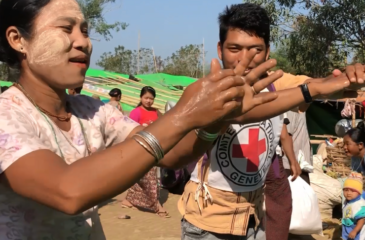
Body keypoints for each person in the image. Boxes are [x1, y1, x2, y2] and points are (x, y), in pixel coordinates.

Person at [0, 0, 285, 238]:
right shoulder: (6, 114)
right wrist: (185, 113)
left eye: (85, 31)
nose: (83, 42)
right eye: (66, 28)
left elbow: (171, 155)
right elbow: (68, 192)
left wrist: (216, 121)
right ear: (18, 40)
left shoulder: (93, 110)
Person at [178, 3, 365, 240]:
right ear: (220, 49)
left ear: (267, 52)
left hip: (253, 220)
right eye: (234, 48)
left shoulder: (277, 83)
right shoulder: (204, 91)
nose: (244, 60)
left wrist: (348, 79)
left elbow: (316, 85)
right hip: (207, 222)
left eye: (255, 50)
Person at [122, 86, 168, 217]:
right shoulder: (136, 112)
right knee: (150, 177)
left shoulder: (156, 112)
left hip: (154, 147)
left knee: (142, 177)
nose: (148, 101)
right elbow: (129, 130)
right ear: (141, 97)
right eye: (146, 98)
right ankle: (156, 205)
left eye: (151, 98)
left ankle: (129, 200)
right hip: (140, 148)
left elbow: (163, 126)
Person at [342, 172, 365, 240]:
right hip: (348, 231)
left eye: (352, 191)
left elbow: (361, 220)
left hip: (356, 234)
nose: (348, 193)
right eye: (346, 190)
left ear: (359, 192)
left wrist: (355, 231)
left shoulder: (359, 205)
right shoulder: (348, 201)